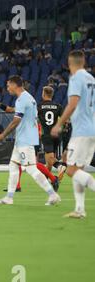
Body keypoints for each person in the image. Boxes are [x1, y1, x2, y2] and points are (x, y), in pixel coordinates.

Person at [0, 76, 60, 206]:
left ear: (14, 85)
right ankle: (9, 197)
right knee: (13, 165)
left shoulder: (22, 99)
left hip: (26, 140)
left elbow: (16, 121)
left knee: (31, 169)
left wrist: (2, 136)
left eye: (8, 86)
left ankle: (52, 195)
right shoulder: (29, 98)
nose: (7, 88)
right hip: (23, 139)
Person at [51, 50, 95, 219]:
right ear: (83, 62)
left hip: (82, 131)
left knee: (70, 169)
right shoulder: (91, 79)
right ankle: (80, 209)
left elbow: (73, 103)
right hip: (91, 130)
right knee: (79, 170)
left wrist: (59, 123)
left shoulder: (76, 78)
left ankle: (80, 209)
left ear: (70, 64)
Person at [37, 86, 64, 173]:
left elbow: (34, 119)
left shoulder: (39, 107)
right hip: (56, 136)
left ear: (43, 94)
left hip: (46, 135)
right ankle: (49, 180)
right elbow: (65, 120)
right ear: (52, 95)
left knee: (50, 158)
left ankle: (59, 166)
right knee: (49, 159)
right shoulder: (58, 106)